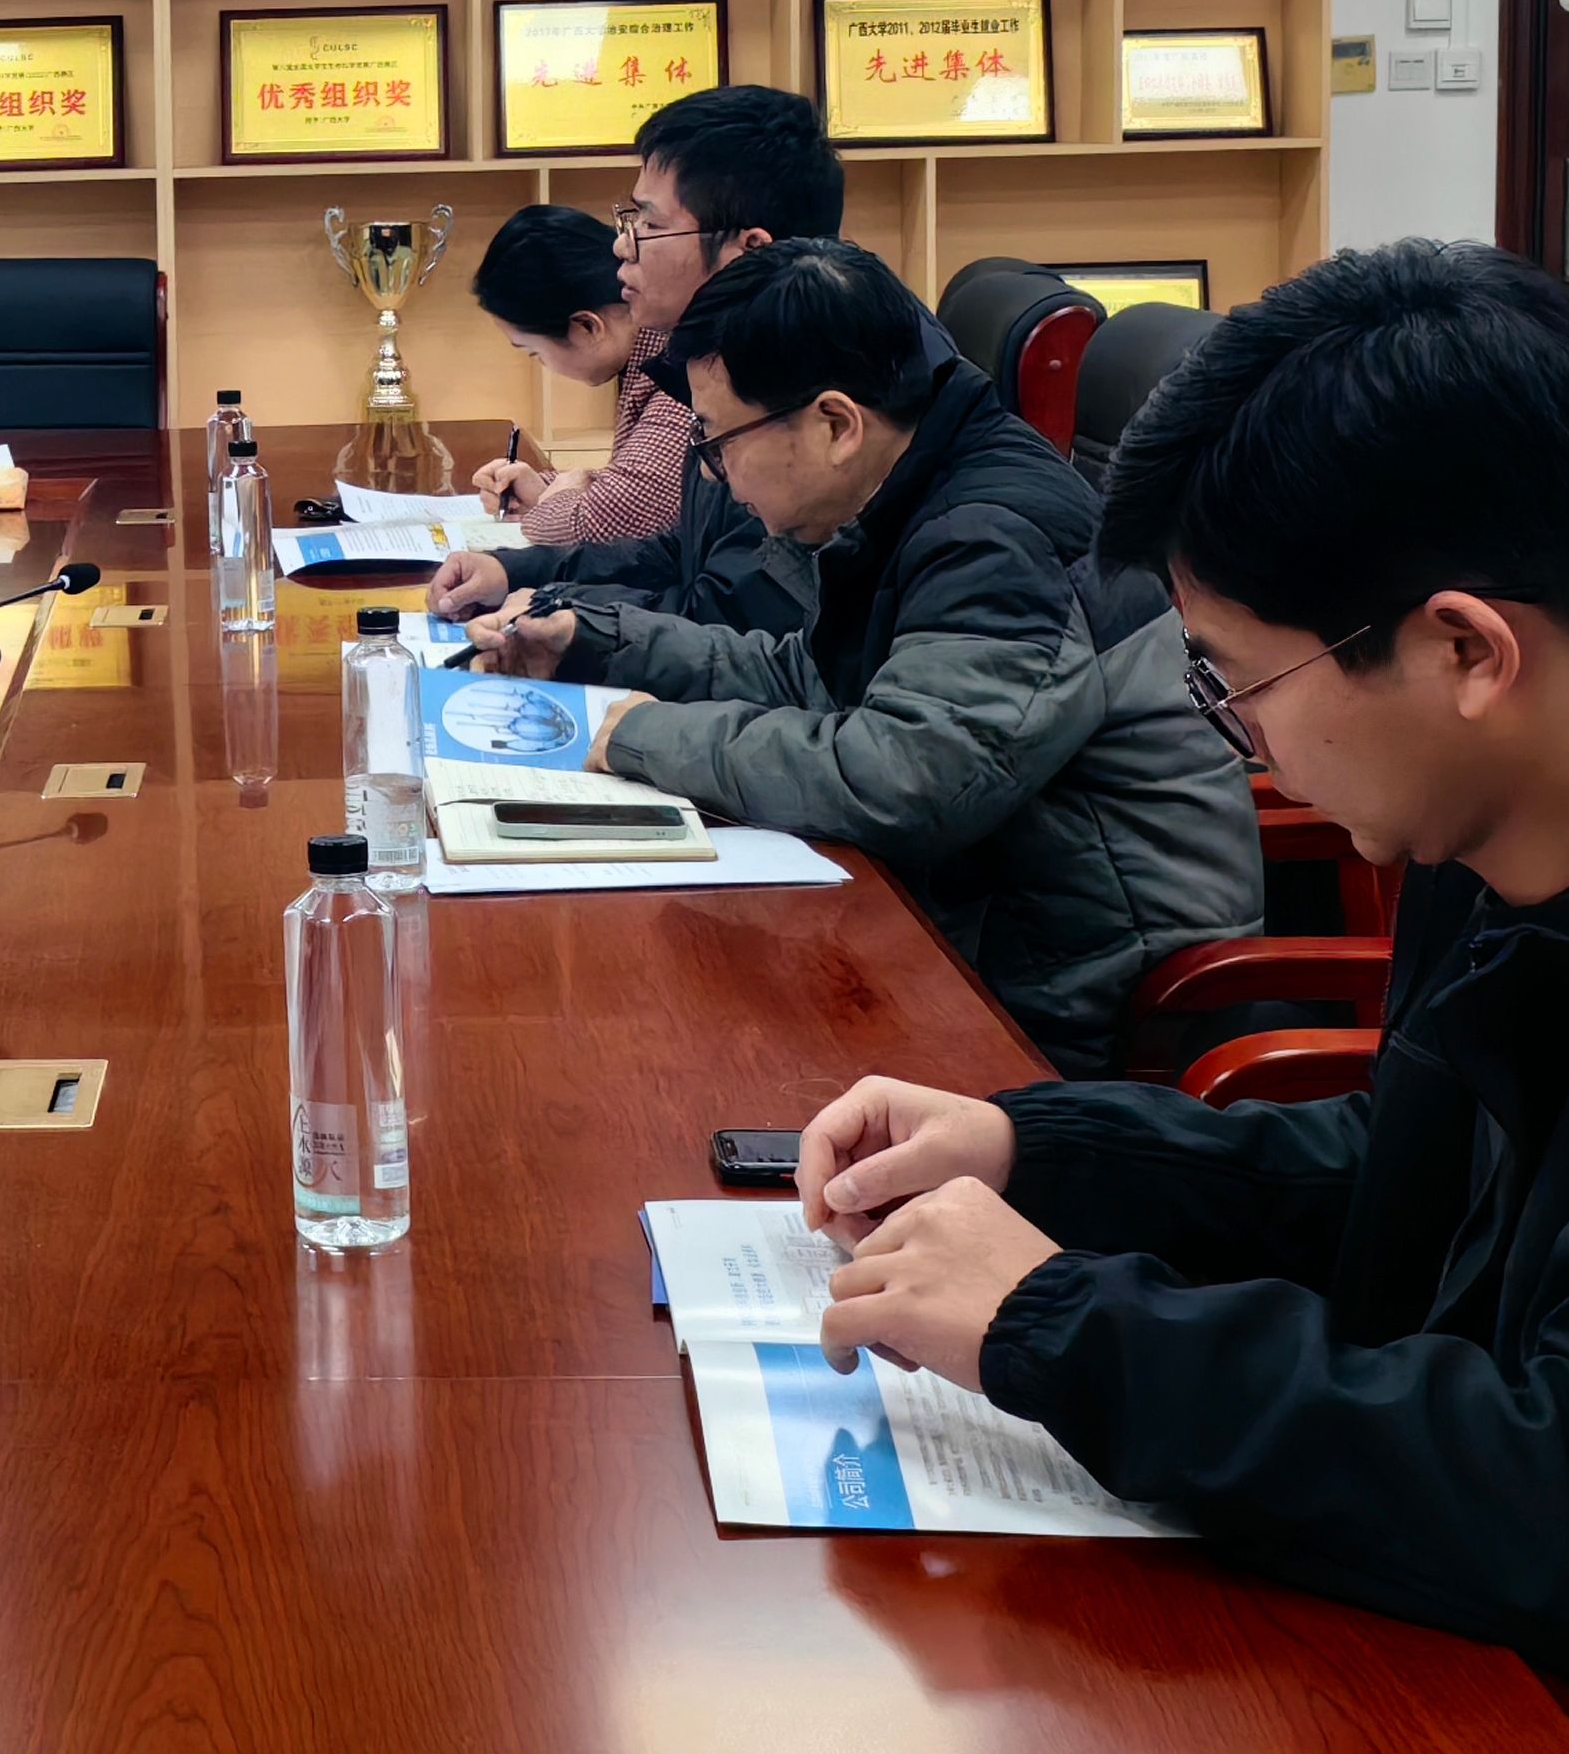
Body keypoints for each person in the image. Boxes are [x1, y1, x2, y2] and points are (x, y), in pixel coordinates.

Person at [792, 240, 1569, 1754]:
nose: (1242, 739)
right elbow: (1418, 1174)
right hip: (1531, 1700)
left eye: (1238, 681)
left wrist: (1060, 1326)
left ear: (1466, 649)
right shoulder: (1547, 813)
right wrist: (1037, 1152)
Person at [466, 239, 1257, 1071]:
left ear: (837, 425)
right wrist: (600, 640)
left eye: (719, 442)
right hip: (979, 919)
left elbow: (902, 778)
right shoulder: (916, 488)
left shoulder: (994, 541)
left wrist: (642, 736)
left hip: (1080, 999)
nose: (719, 478)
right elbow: (811, 675)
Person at [435, 84, 848, 645]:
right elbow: (681, 551)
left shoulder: (792, 383)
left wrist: (577, 625)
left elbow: (721, 613)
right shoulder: (720, 357)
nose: (622, 248)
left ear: (748, 250)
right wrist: (520, 570)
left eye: (649, 225)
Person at [456, 206, 689, 547]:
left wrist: (549, 505)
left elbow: (609, 522)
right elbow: (644, 489)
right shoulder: (652, 352)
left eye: (534, 352)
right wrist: (547, 488)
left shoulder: (682, 374)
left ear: (586, 326)